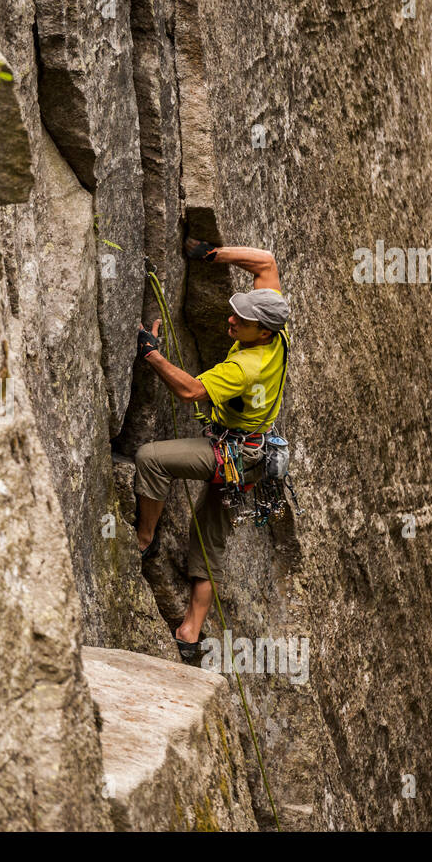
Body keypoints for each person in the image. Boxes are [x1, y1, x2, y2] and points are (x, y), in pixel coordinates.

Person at [135, 238, 291, 660]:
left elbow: (190, 391)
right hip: (254, 457)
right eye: (235, 312)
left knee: (150, 459)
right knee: (210, 540)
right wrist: (211, 254)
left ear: (261, 332)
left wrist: (152, 356)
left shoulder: (245, 367)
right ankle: (190, 632)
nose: (231, 320)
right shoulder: (276, 325)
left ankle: (144, 538)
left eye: (241, 321)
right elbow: (266, 261)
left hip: (231, 457)